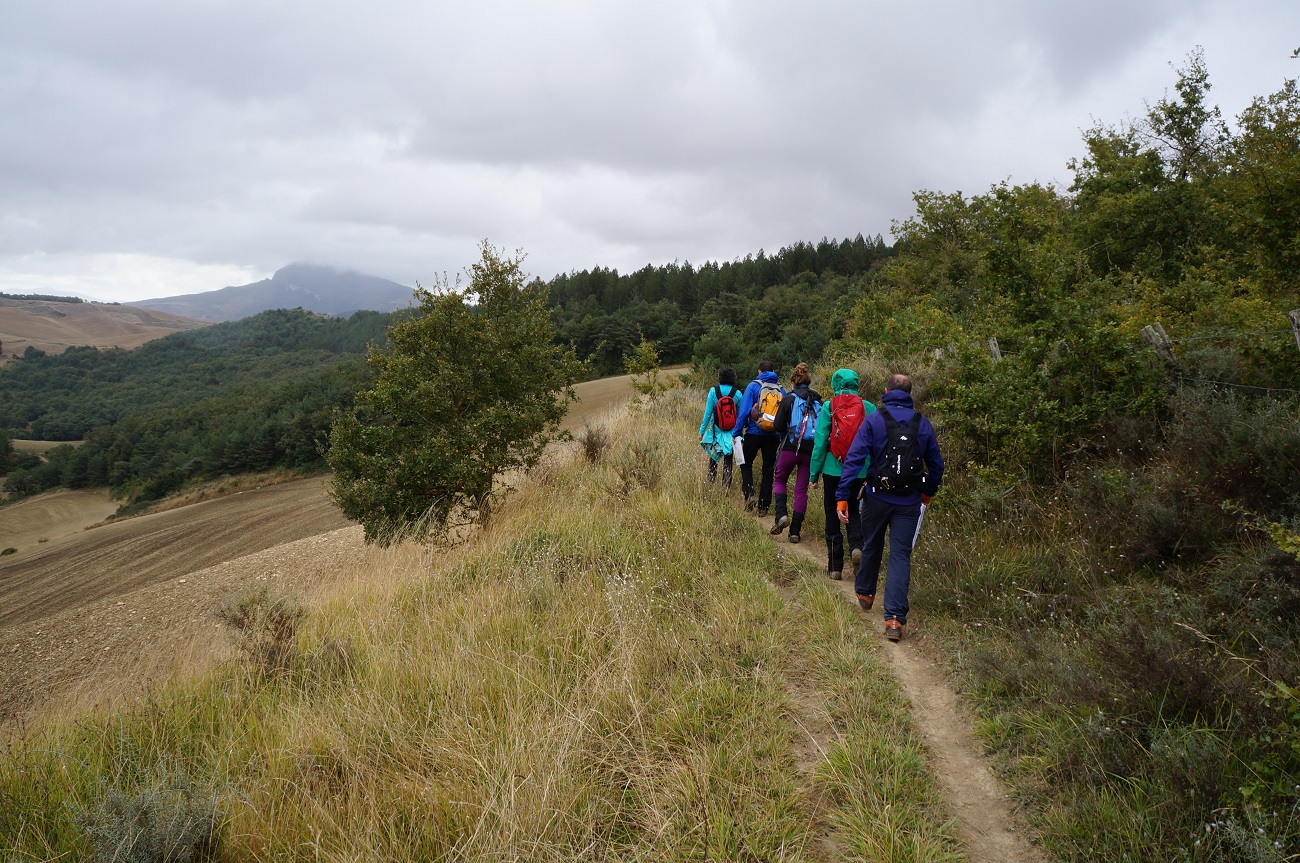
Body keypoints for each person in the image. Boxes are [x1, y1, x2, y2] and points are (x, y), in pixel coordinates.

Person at [836, 373, 944, 642]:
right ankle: (894, 619)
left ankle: (865, 593)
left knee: (872, 543)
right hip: (909, 501)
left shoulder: (875, 420)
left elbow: (854, 458)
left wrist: (842, 495)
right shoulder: (923, 423)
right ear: (910, 394)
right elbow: (937, 465)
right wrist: (927, 493)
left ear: (886, 391)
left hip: (876, 497)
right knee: (900, 556)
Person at [809, 368, 875, 579]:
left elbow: (820, 443)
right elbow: (876, 442)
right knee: (854, 510)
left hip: (832, 468)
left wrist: (813, 474)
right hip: (860, 470)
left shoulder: (829, 406)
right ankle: (856, 547)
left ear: (835, 384)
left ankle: (835, 567)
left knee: (832, 512)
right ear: (856, 383)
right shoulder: (869, 407)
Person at [769, 362, 822, 543]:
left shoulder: (789, 399)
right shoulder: (817, 400)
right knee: (801, 491)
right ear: (808, 381)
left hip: (790, 448)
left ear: (793, 381)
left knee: (780, 479)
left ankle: (781, 515)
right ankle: (795, 532)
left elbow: (777, 425)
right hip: (810, 451)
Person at [732, 361, 784, 516]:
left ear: (759, 371)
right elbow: (784, 415)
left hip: (754, 432)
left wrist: (736, 433)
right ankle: (763, 506)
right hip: (773, 435)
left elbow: (744, 412)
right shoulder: (781, 389)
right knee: (768, 469)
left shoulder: (753, 386)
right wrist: (782, 436)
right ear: (773, 371)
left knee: (746, 462)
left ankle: (749, 494)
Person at [698, 367, 739, 486]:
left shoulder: (713, 391)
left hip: (716, 431)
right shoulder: (737, 393)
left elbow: (708, 413)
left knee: (713, 456)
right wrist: (739, 433)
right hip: (731, 432)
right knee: (728, 459)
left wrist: (701, 431)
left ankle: (711, 481)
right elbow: (740, 416)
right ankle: (725, 487)